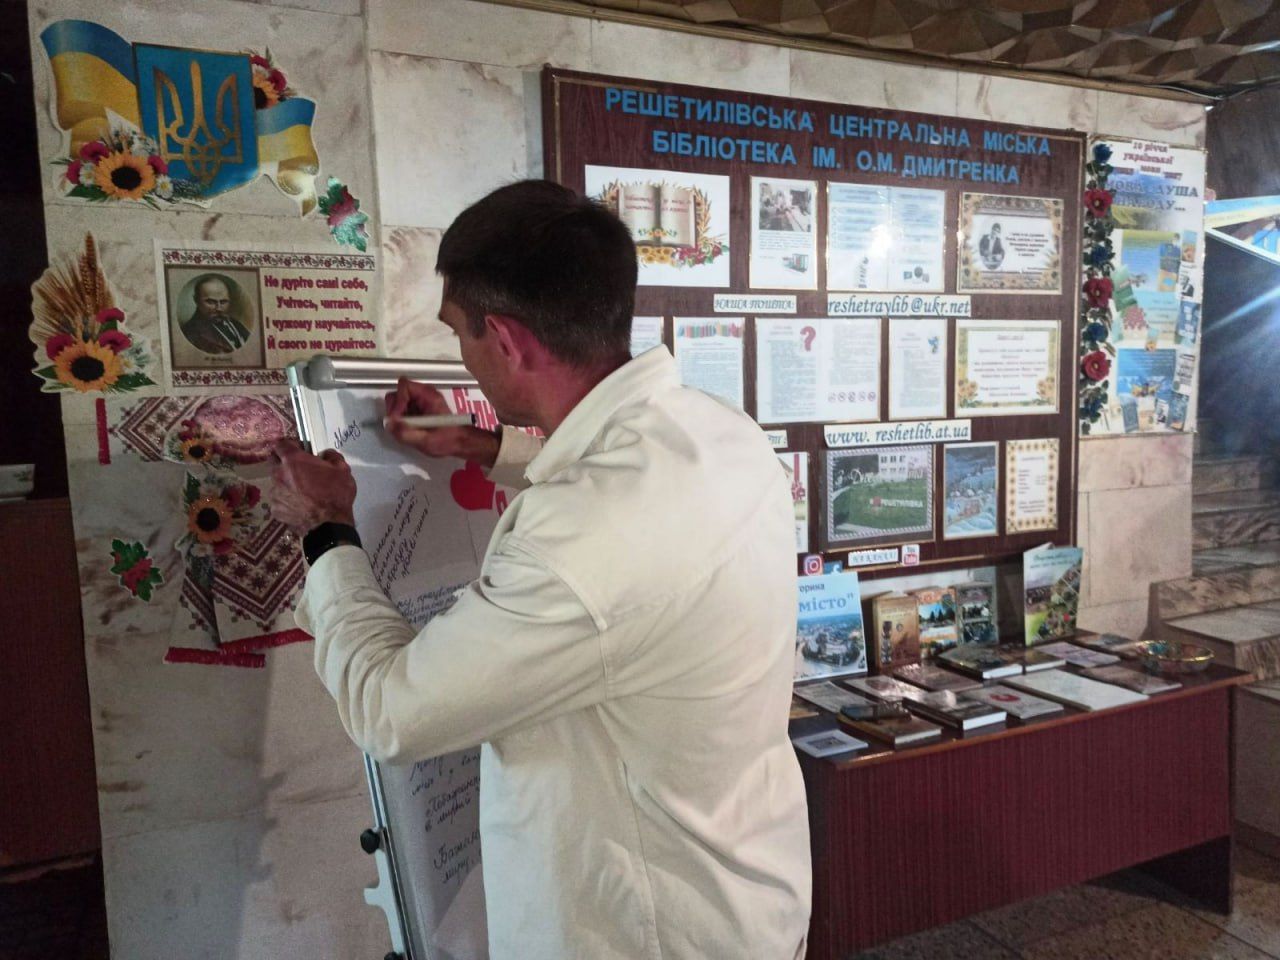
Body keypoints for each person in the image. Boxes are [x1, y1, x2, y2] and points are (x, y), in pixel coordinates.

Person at [270, 180, 811, 959]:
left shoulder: (581, 540)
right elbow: (617, 501)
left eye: (458, 332)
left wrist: (327, 529)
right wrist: (479, 444)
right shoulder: (717, 431)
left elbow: (391, 711)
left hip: (645, 934)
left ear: (507, 340)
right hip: (744, 889)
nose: (460, 356)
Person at [180, 274, 251, 354]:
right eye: (211, 302)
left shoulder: (236, 324)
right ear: (196, 300)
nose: (219, 308)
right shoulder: (190, 333)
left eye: (223, 302)